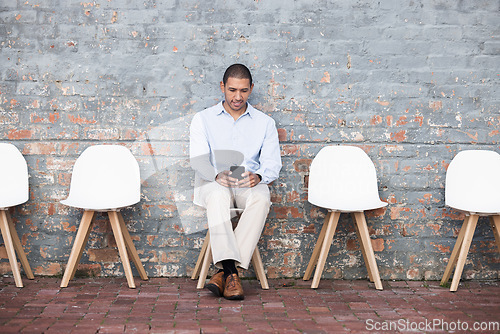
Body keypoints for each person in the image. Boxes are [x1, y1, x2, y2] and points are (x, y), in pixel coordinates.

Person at [189, 64, 282, 300]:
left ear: (251, 89)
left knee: (262, 197)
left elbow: (272, 163)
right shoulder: (203, 119)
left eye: (243, 90)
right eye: (231, 90)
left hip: (246, 181)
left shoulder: (265, 123)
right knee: (219, 195)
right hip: (214, 181)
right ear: (222, 87)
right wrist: (215, 175)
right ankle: (232, 272)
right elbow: (197, 160)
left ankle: (223, 273)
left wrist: (259, 176)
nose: (237, 97)